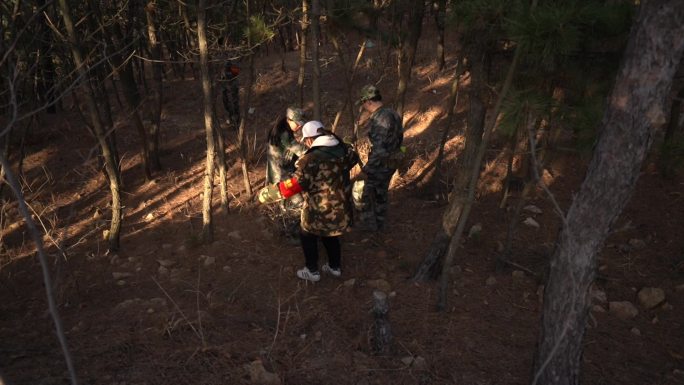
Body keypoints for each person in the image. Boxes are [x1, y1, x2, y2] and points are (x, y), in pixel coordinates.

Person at [258, 120, 359, 282]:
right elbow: (353, 158)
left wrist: (272, 193)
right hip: (341, 205)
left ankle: (312, 270)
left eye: (306, 140)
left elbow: (296, 184)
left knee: (307, 234)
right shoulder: (341, 149)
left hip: (319, 207)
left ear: (310, 139)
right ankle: (335, 267)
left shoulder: (311, 159)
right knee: (331, 234)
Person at [356, 84, 404, 232]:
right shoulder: (393, 113)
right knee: (380, 193)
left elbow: (379, 148)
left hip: (381, 164)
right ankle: (380, 224)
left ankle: (369, 227)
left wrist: (367, 169)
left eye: (364, 104)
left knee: (362, 193)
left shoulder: (381, 118)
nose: (364, 108)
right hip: (391, 161)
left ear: (369, 102)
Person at [221, 61, 240, 127]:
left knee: (234, 105)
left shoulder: (232, 62)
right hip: (225, 87)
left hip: (232, 86)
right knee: (226, 104)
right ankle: (231, 120)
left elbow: (237, 72)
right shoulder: (221, 60)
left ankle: (236, 123)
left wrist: (228, 74)